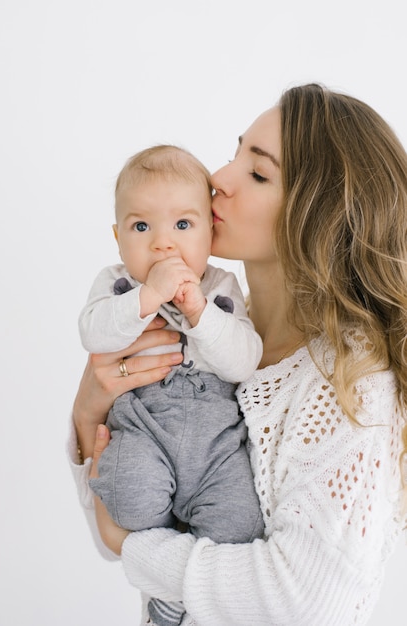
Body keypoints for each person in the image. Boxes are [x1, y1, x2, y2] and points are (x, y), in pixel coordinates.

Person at [69, 83, 407, 625]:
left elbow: (304, 603)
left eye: (257, 173)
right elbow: (129, 519)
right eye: (234, 154)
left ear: (314, 216)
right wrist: (89, 415)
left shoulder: (351, 383)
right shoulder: (205, 326)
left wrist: (132, 547)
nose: (217, 180)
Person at [77, 144, 264, 626]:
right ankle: (163, 591)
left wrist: (201, 315)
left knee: (239, 521)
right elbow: (93, 333)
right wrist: (147, 297)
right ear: (118, 238)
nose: (164, 244)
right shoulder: (117, 285)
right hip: (143, 426)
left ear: (209, 230)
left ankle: (178, 596)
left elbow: (244, 360)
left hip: (216, 444)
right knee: (128, 494)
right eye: (142, 227)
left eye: (183, 225)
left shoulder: (221, 288)